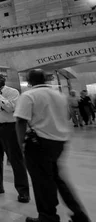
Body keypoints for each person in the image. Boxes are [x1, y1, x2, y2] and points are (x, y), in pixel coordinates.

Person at [14, 69, 91, 222]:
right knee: (56, 178)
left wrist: (20, 145)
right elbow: (67, 116)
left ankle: (47, 217)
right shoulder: (59, 95)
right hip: (59, 142)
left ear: (29, 81)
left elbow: (21, 121)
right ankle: (79, 215)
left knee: (41, 182)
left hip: (38, 144)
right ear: (46, 79)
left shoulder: (28, 95)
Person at [0, 73, 30, 203]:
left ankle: (23, 191)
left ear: (4, 80)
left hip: (9, 128)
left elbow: (11, 108)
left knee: (16, 160)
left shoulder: (13, 92)